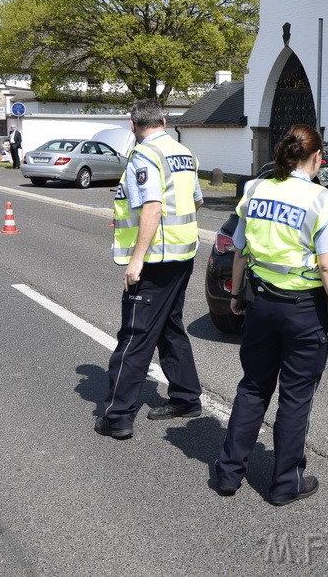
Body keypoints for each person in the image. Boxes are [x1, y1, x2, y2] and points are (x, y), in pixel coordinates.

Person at [215, 124, 328, 505]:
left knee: (253, 387)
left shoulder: (255, 190)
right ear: (317, 159)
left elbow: (239, 248)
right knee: (295, 398)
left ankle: (228, 473)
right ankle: (285, 484)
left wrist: (237, 295)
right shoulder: (322, 200)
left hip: (260, 302)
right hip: (304, 310)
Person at [95, 99, 204, 439]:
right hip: (182, 254)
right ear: (164, 120)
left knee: (135, 335)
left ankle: (118, 417)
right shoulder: (184, 153)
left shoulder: (145, 155)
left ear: (133, 125)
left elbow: (152, 207)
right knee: (170, 327)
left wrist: (137, 259)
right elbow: (197, 200)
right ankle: (186, 397)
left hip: (156, 259)